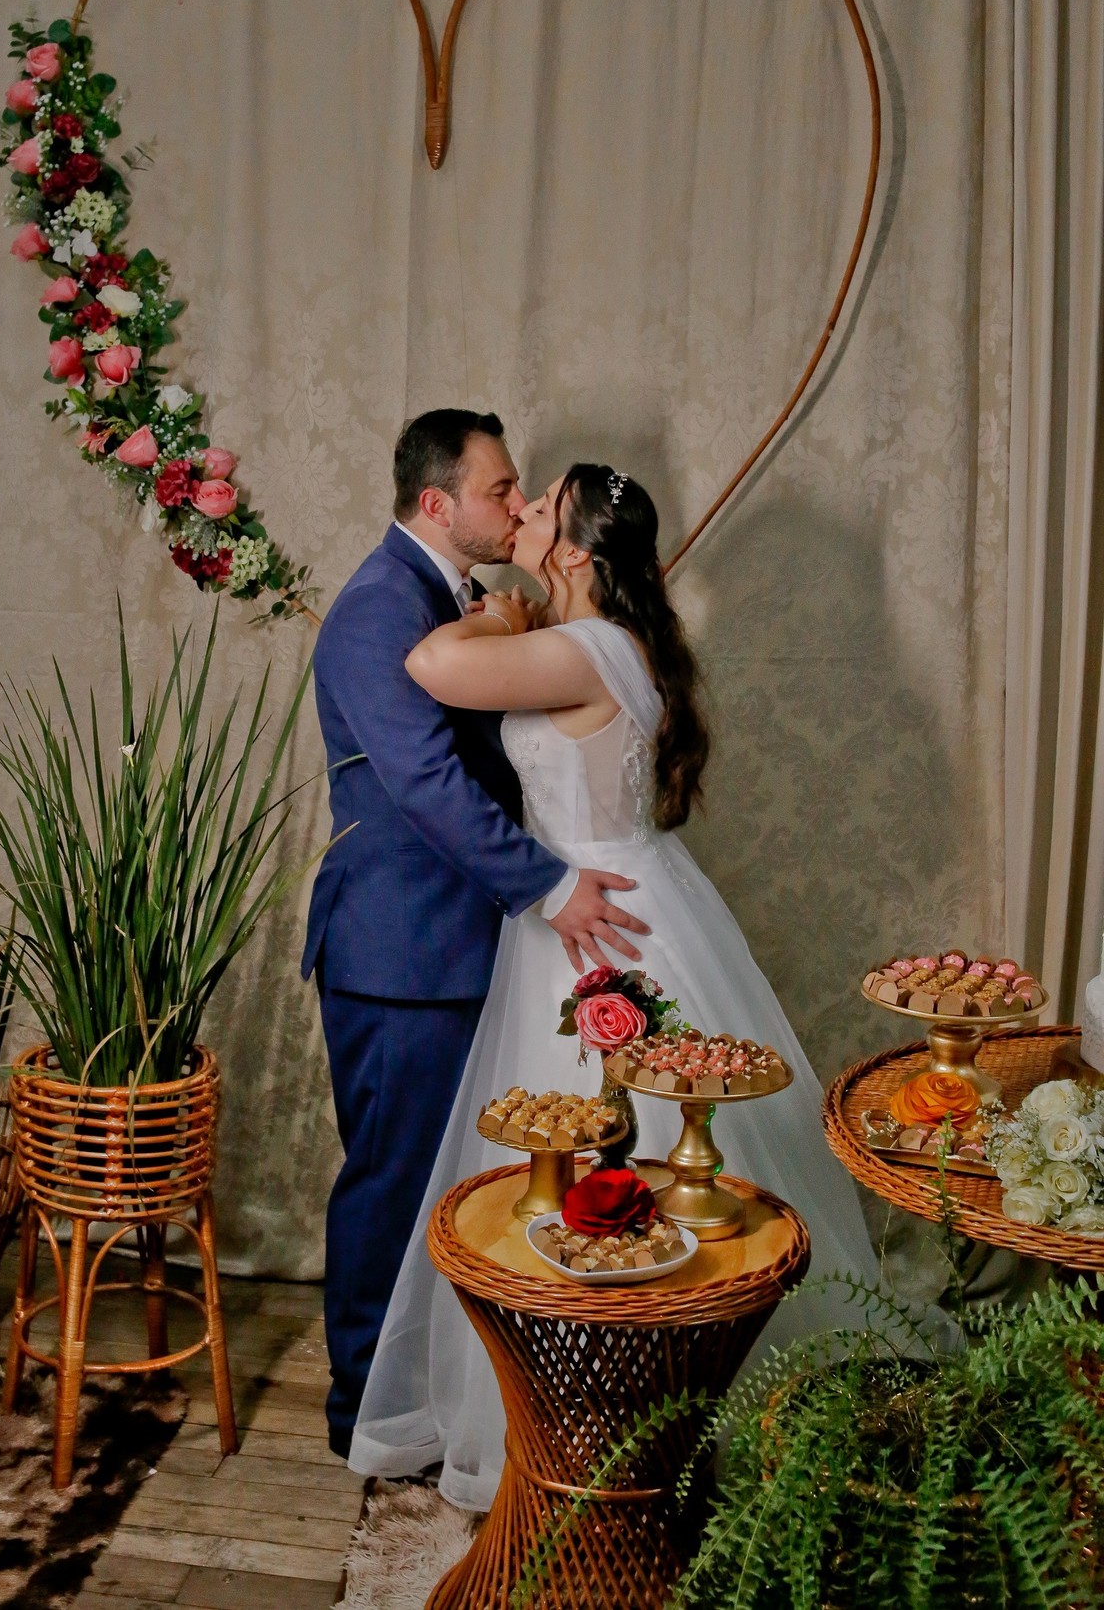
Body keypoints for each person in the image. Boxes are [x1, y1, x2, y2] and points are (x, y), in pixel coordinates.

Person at [349, 462, 881, 1507]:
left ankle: (626, 1408)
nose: (523, 511)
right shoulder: (611, 640)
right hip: (600, 895)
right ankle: (589, 1405)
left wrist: (496, 615)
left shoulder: (582, 646)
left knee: (611, 1149)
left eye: (542, 505)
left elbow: (430, 662)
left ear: (577, 550)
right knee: (609, 1148)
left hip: (596, 922)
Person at [302, 414, 650, 1458]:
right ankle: (364, 1412)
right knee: (395, 1181)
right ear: (437, 503)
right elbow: (424, 781)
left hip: (467, 945)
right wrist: (548, 882)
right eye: (500, 489)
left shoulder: (470, 605)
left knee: (466, 1187)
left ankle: (451, 1401)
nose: (516, 502)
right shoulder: (380, 607)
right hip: (401, 952)